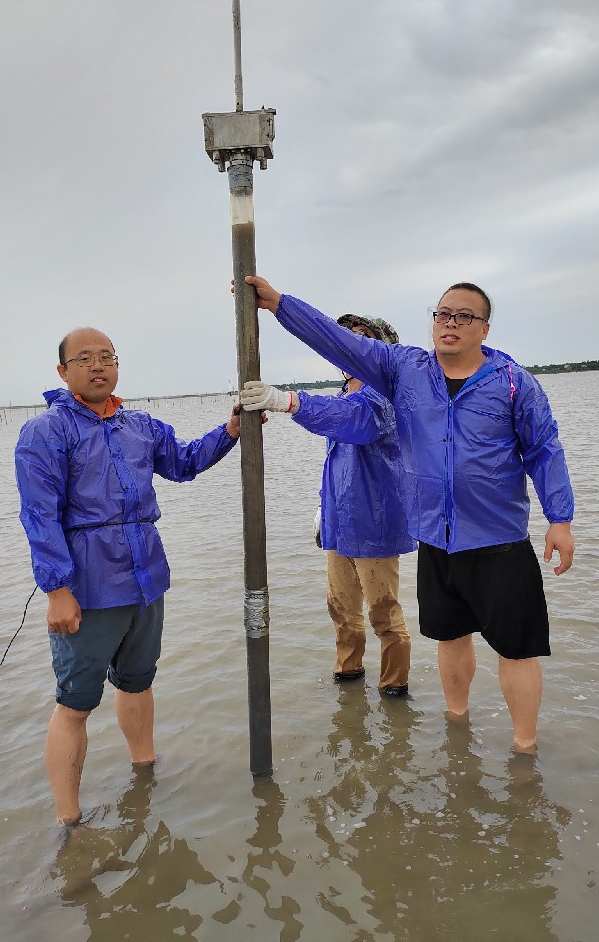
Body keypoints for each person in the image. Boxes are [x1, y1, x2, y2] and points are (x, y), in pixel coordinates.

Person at [240, 277, 575, 753]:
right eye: (441, 314)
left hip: (500, 540)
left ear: (484, 328)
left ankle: (525, 748)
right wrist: (277, 305)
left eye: (464, 316)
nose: (450, 323)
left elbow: (544, 450)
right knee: (450, 637)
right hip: (436, 540)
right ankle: (457, 727)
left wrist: (559, 519)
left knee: (517, 648)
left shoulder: (515, 382)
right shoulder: (406, 370)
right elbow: (340, 342)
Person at [15, 327, 241, 824]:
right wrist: (56, 589)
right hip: (88, 584)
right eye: (85, 359)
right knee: (75, 701)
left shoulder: (140, 425)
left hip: (145, 576)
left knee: (138, 682)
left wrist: (229, 430)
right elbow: (39, 515)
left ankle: (145, 771)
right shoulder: (46, 432)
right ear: (63, 371)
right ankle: (68, 820)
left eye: (107, 357)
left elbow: (183, 463)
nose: (98, 366)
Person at [241, 314, 413, 696]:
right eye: (347, 336)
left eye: (363, 337)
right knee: (341, 609)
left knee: (383, 612)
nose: (351, 342)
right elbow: (335, 459)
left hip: (376, 521)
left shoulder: (383, 395)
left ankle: (395, 691)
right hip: (339, 520)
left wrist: (289, 401)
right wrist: (323, 505)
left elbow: (355, 421)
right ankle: (348, 677)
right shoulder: (341, 395)